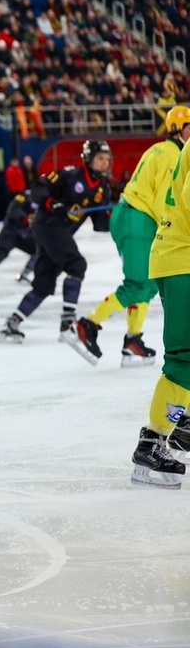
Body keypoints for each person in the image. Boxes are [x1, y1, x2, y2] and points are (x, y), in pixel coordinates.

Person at [82, 106, 190, 367]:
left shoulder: (163, 149)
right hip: (139, 218)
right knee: (138, 284)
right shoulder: (173, 153)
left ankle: (133, 341)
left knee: (149, 284)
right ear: (177, 129)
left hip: (136, 217)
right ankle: (88, 325)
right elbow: (168, 199)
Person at [0, 139, 113, 362]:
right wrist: (52, 203)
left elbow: (101, 224)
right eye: (100, 158)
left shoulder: (103, 189)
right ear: (88, 159)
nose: (105, 163)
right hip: (46, 225)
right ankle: (68, 321)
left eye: (107, 159)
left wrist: (120, 214)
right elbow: (39, 188)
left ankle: (12, 323)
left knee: (44, 283)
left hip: (58, 235)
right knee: (76, 264)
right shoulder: (70, 175)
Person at [132, 123, 190, 487]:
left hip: (176, 255)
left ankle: (183, 425)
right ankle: (152, 443)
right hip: (181, 259)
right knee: (185, 359)